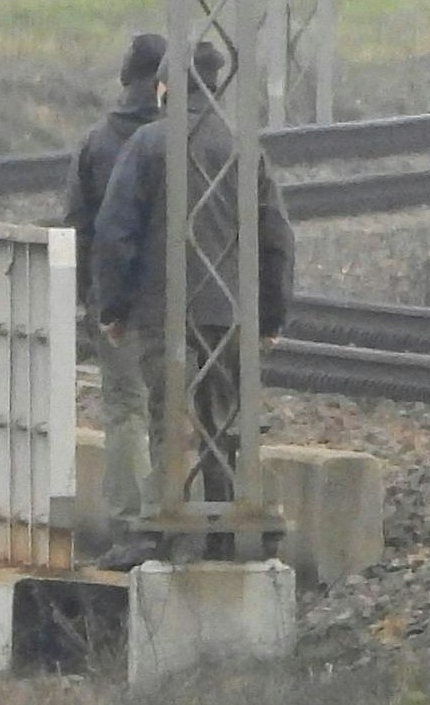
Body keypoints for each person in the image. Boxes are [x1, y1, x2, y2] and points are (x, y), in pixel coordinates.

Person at [88, 39, 296, 560]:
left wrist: (110, 308)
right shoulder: (245, 148)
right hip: (231, 313)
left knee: (169, 419)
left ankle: (168, 537)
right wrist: (271, 315)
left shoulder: (148, 144)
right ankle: (226, 541)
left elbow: (115, 232)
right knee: (222, 423)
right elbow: (276, 239)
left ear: (165, 87)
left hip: (164, 313)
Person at [63, 33, 168, 558]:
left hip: (117, 307)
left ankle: (131, 523)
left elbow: (79, 227)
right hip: (180, 300)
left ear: (127, 80)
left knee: (126, 408)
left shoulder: (97, 141)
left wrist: (95, 300)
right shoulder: (185, 139)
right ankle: (177, 517)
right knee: (178, 405)